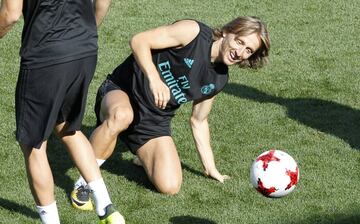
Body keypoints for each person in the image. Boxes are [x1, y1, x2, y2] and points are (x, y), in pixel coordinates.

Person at [72, 16, 270, 204]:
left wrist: (211, 168)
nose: (240, 52)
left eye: (248, 51)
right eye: (240, 42)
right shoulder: (193, 32)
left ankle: (141, 154)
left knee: (170, 185)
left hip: (153, 121)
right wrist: (154, 78)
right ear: (227, 32)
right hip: (122, 91)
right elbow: (139, 40)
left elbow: (199, 121)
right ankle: (84, 185)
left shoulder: (219, 79)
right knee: (122, 116)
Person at [0, 0, 125, 223]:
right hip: (85, 48)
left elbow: (10, 14)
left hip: (46, 55)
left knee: (33, 145)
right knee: (67, 126)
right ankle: (106, 207)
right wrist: (84, 34)